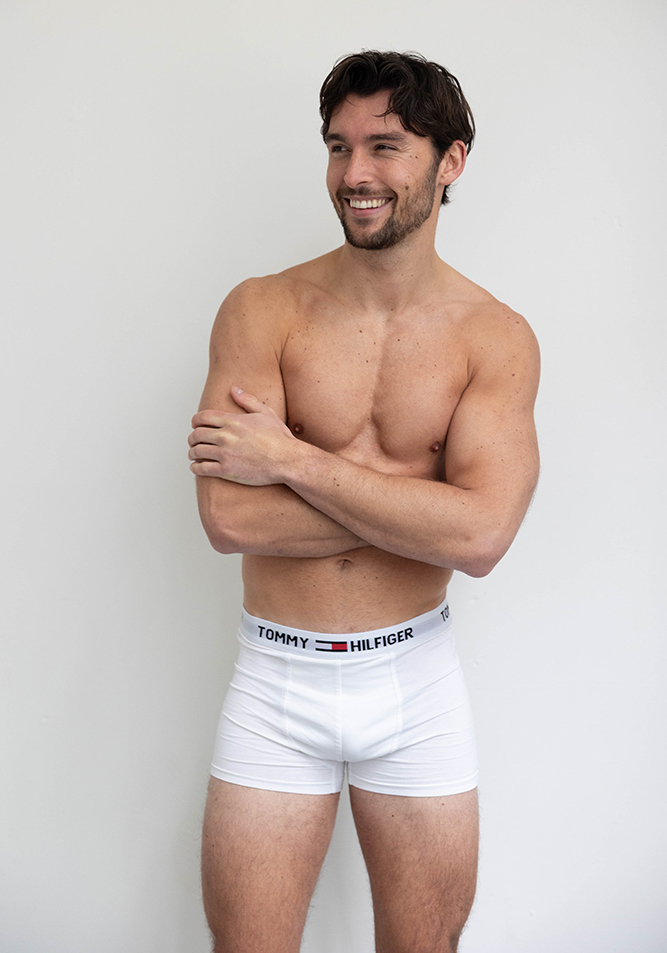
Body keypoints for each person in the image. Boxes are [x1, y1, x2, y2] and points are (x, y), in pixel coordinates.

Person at [188, 50, 539, 953]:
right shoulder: (263, 310)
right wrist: (423, 509)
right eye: (338, 147)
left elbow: (481, 535)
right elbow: (230, 519)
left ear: (449, 161)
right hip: (276, 680)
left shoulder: (493, 336)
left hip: (415, 685)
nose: (354, 174)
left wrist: (291, 460)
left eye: (384, 146)